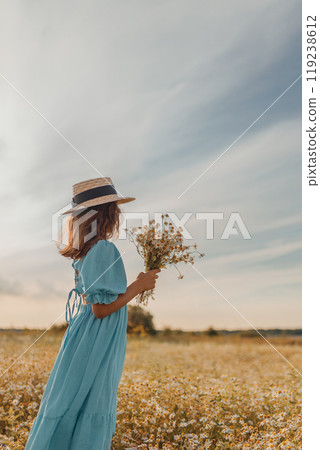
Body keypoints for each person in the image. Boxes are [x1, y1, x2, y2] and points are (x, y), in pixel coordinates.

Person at [25, 177, 160, 449]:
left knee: (72, 397)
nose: (118, 215)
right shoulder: (103, 248)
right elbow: (101, 310)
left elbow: (97, 300)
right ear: (108, 214)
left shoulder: (86, 250)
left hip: (84, 333)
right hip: (97, 334)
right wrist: (139, 285)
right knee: (93, 397)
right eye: (115, 209)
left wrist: (134, 285)